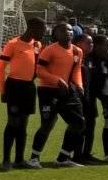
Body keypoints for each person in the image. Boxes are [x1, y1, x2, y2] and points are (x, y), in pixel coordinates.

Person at [29, 21, 83, 168]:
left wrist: (79, 84)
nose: (69, 33)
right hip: (48, 91)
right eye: (65, 31)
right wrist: (57, 80)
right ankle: (34, 158)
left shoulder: (77, 51)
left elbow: (76, 70)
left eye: (71, 30)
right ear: (56, 34)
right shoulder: (50, 50)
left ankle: (63, 158)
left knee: (78, 123)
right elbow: (39, 71)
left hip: (67, 92)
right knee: (47, 124)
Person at [0, 17, 45, 169]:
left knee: (23, 125)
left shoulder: (37, 44)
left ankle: (19, 159)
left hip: (29, 87)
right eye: (41, 31)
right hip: (14, 86)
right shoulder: (13, 44)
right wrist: (2, 90)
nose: (43, 34)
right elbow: (0, 68)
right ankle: (6, 160)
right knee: (13, 123)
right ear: (31, 28)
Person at [74, 32, 103, 163]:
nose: (91, 45)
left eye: (92, 43)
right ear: (79, 44)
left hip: (90, 98)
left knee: (91, 125)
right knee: (80, 126)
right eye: (88, 42)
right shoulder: (74, 57)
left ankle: (87, 153)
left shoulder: (91, 59)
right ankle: (77, 154)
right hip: (78, 97)